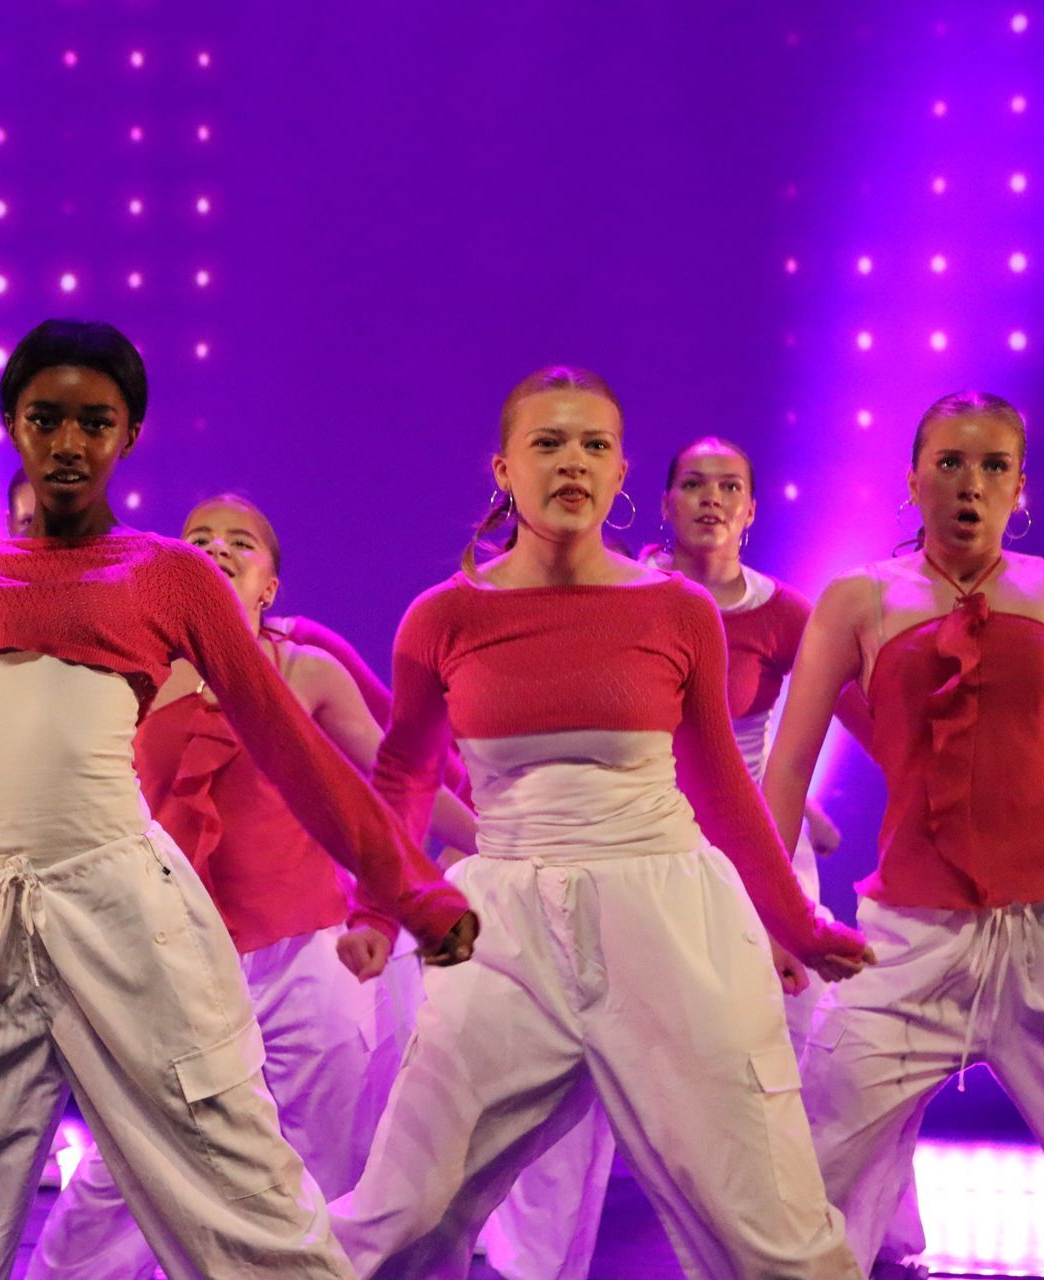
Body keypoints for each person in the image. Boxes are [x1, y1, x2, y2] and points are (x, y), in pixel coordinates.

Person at [0, 319, 475, 1279]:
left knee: (240, 1200)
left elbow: (294, 752)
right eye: (45, 419)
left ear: (129, 434)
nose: (69, 443)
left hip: (120, 915)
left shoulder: (169, 575)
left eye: (95, 422)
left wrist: (414, 891)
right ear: (13, 425)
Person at [331, 365, 872, 1280]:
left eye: (594, 445)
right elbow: (407, 772)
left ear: (621, 472)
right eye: (548, 443)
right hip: (504, 922)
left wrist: (796, 921)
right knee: (405, 1206)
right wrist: (377, 910)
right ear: (504, 468)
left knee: (761, 1212)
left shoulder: (675, 610)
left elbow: (721, 788)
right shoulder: (444, 617)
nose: (572, 462)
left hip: (663, 912)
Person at [27, 492, 413, 1280]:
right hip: (175, 956)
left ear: (271, 584)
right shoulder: (130, 675)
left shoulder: (305, 670)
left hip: (304, 950)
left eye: (242, 541)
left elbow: (393, 789)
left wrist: (480, 841)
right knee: (127, 1166)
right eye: (199, 538)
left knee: (326, 1160)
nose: (218, 548)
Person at [763, 390, 1044, 1274]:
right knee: (811, 1178)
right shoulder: (860, 599)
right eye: (950, 462)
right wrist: (777, 917)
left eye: (994, 466)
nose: (971, 484)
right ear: (914, 479)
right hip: (907, 940)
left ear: (1020, 488)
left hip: (1038, 931)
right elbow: (787, 770)